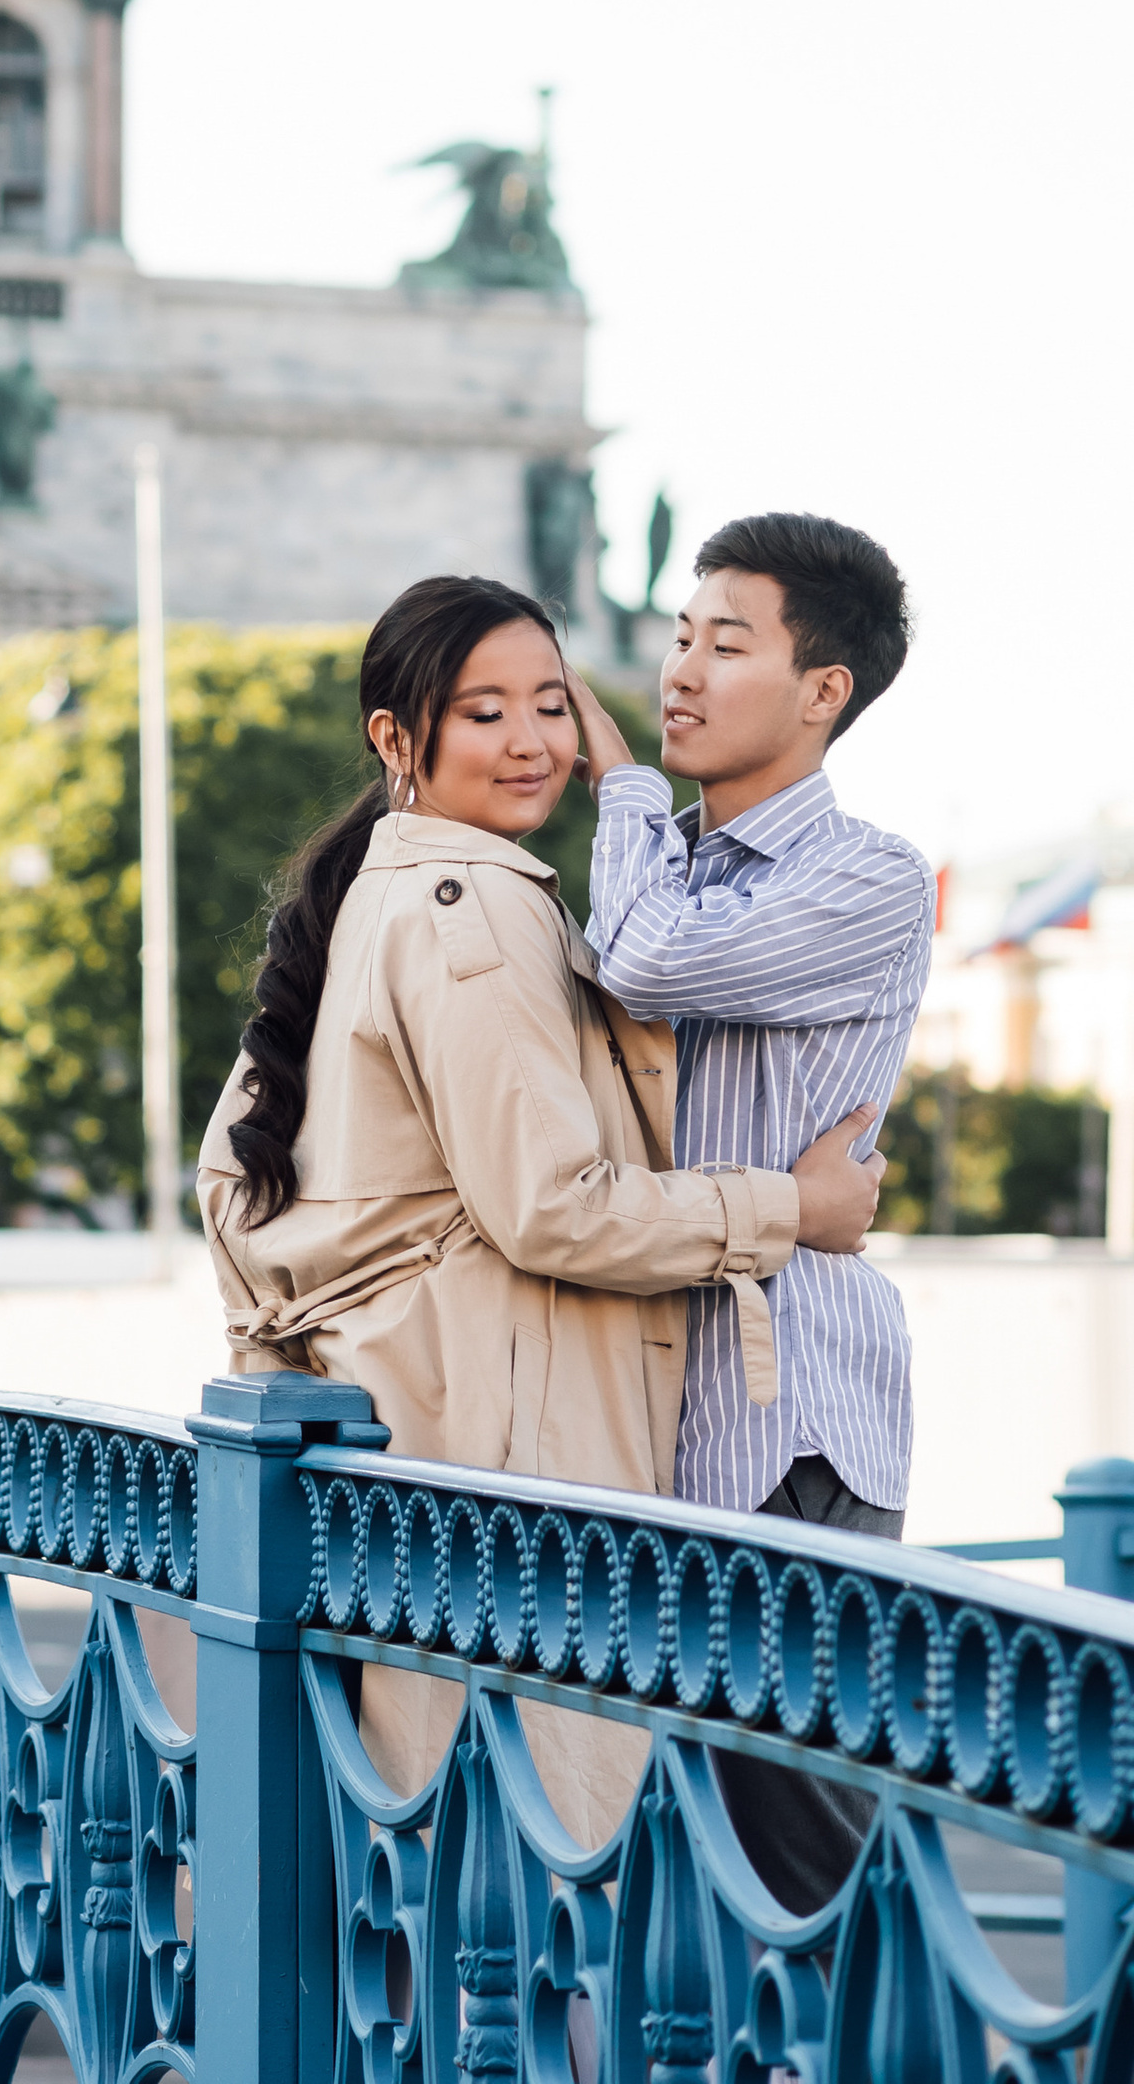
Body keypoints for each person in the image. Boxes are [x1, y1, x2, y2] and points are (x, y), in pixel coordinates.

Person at [195, 572, 882, 1846]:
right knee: (541, 1882)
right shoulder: (477, 910)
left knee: (436, 1890)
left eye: (549, 706)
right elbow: (554, 1210)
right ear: (397, 740)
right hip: (515, 1460)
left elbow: (234, 1184)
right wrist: (793, 1205)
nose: (528, 743)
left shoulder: (382, 893)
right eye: (481, 714)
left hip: (423, 1443)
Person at [579, 508, 929, 1904]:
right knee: (666, 1872)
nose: (678, 672)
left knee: (804, 1865)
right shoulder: (661, 864)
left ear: (822, 688)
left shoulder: (869, 876)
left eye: (727, 643)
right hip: (648, 1414)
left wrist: (611, 790)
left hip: (786, 1422)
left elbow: (653, 965)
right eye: (677, 638)